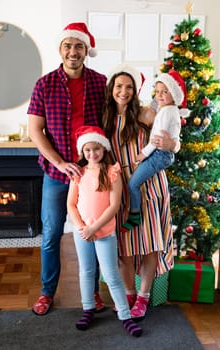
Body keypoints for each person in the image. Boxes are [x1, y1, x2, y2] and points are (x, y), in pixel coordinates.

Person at [27, 22, 107, 315]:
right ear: (60, 50)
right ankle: (47, 292)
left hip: (92, 176)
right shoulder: (44, 84)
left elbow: (115, 121)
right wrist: (59, 162)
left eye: (79, 46)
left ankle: (94, 293)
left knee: (93, 232)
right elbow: (36, 131)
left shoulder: (101, 82)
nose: (73, 52)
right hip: (57, 175)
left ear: (87, 50)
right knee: (50, 235)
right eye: (68, 46)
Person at [102, 64, 180, 320]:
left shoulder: (145, 114)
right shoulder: (104, 117)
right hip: (118, 188)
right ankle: (128, 292)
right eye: (119, 86)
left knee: (148, 244)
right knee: (123, 246)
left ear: (135, 91)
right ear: (112, 89)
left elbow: (174, 132)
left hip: (148, 184)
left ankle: (144, 296)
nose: (123, 92)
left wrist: (174, 144)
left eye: (129, 87)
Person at [67, 125, 142, 337]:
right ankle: (88, 309)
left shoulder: (112, 172)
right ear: (82, 151)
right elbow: (71, 204)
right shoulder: (79, 173)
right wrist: (83, 228)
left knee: (111, 274)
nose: (92, 154)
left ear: (104, 149)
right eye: (87, 150)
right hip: (82, 232)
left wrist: (94, 228)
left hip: (103, 232)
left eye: (96, 149)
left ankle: (125, 316)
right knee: (86, 272)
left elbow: (114, 206)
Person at [122, 69, 187, 232]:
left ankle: (135, 215)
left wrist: (143, 155)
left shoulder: (165, 111)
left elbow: (158, 139)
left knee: (133, 184)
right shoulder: (165, 110)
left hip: (158, 155)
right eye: (157, 92)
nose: (159, 95)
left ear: (173, 93)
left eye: (165, 91)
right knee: (134, 183)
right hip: (159, 155)